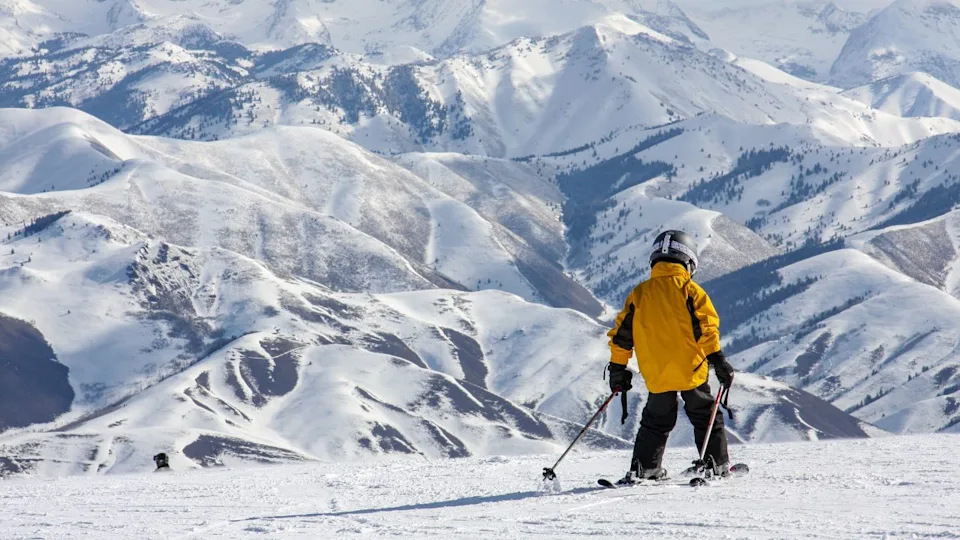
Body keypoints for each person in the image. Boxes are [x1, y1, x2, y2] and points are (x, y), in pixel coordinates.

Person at [606, 230, 735, 484]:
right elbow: (706, 328)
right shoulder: (691, 291)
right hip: (691, 369)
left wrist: (617, 369)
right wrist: (718, 360)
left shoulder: (639, 294)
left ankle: (645, 468)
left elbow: (621, 336)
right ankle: (715, 464)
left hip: (657, 372)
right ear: (689, 263)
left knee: (656, 420)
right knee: (705, 415)